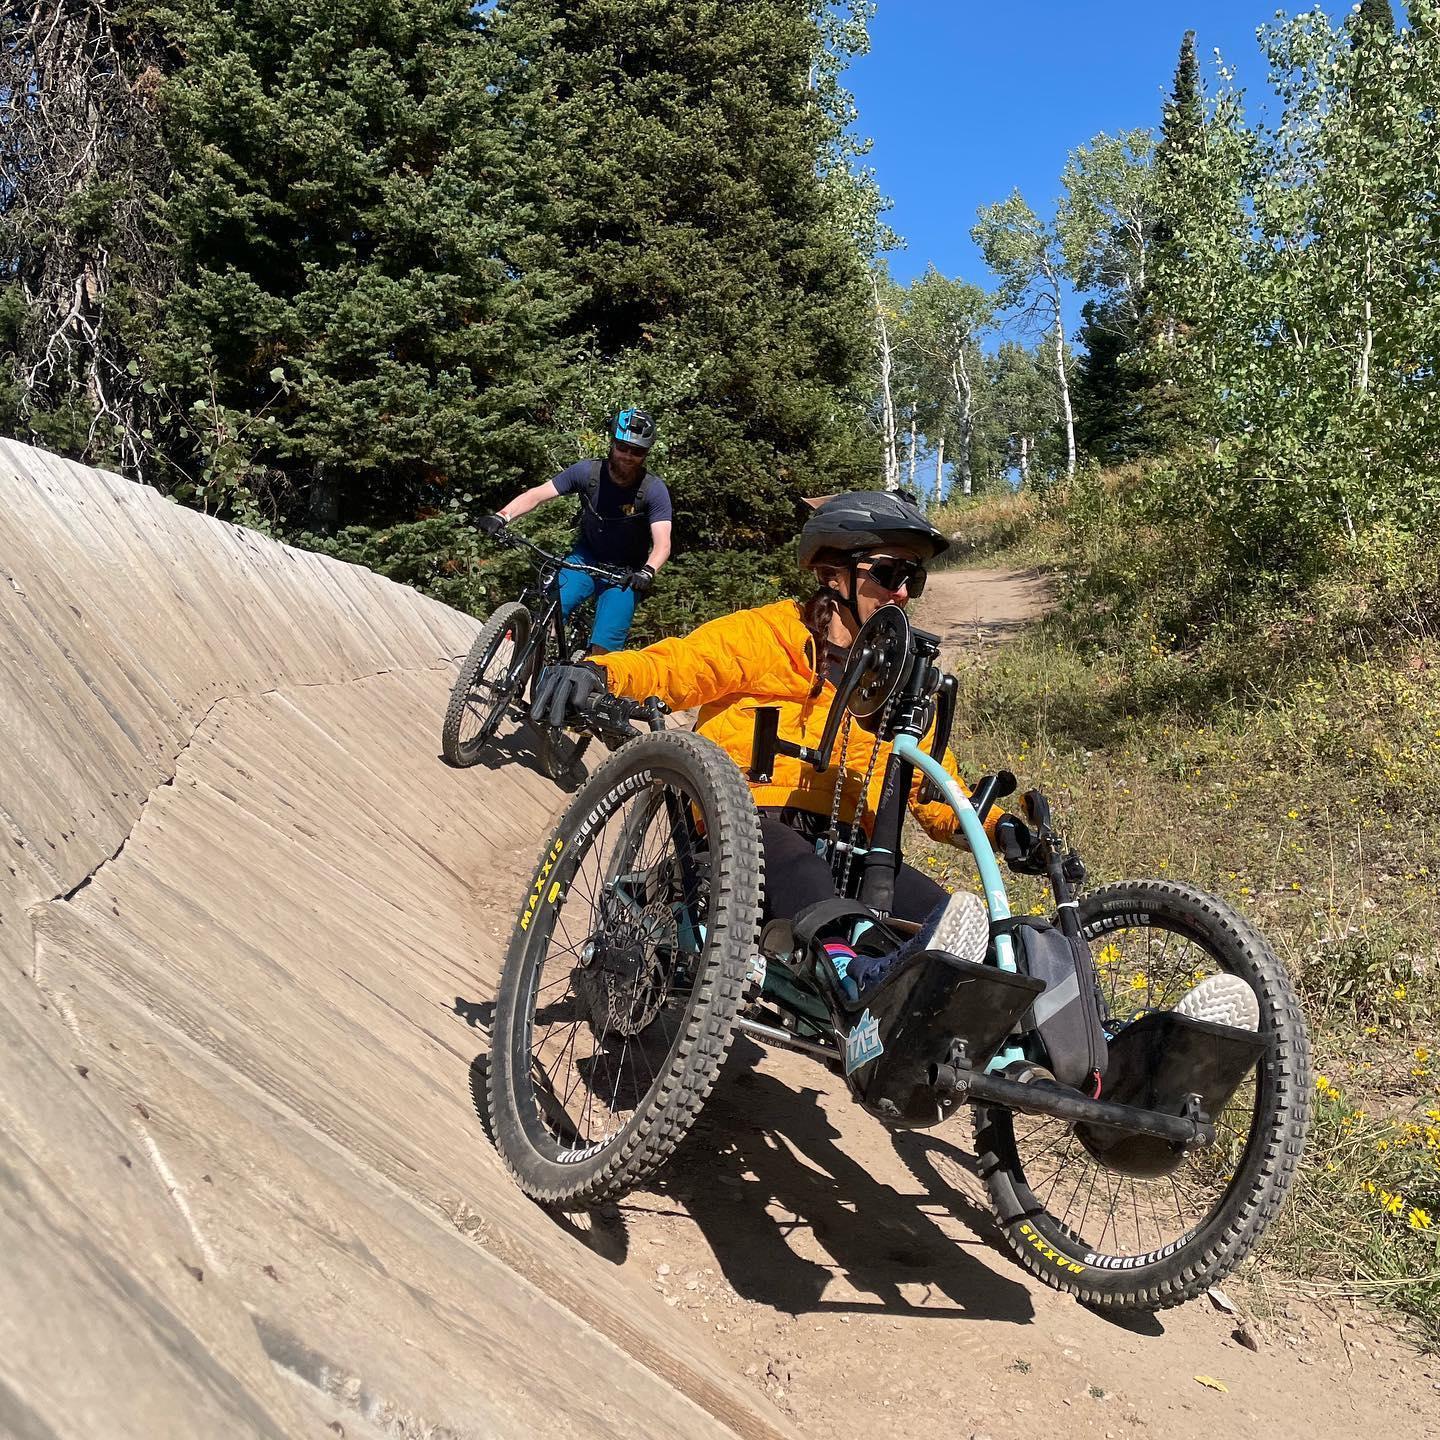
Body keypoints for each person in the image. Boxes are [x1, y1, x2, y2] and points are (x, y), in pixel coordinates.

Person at [530, 489, 1045, 999]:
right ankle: (852, 976)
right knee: (802, 866)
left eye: (914, 578)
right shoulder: (769, 635)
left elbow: (931, 789)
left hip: (853, 852)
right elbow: (676, 665)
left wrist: (1000, 830)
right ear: (833, 574)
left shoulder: (898, 681)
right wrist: (597, 673)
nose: (904, 593)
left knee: (943, 917)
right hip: (747, 824)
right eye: (890, 575)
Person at [480, 408, 672, 654]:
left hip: (625, 575)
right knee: (550, 611)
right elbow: (537, 495)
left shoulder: (654, 490)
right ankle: (527, 667)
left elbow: (663, 544)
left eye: (637, 451)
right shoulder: (587, 472)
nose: (628, 455)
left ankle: (587, 684)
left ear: (646, 454)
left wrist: (647, 572)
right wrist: (502, 516)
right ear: (612, 444)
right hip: (584, 559)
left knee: (604, 650)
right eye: (623, 447)